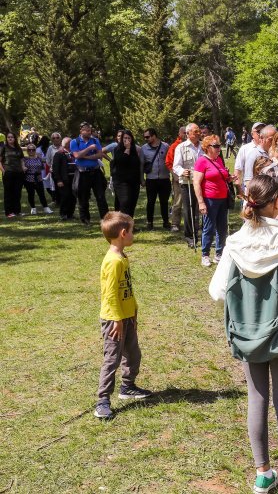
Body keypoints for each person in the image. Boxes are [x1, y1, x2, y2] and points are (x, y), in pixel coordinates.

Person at [209, 175, 278, 494]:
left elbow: (217, 289)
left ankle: (262, 474)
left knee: (256, 399)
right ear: (277, 202)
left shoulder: (234, 241)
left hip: (245, 331)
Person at [94, 211, 153, 420]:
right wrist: (117, 320)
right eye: (132, 231)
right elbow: (109, 295)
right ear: (122, 233)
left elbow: (125, 289)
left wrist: (133, 312)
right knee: (112, 359)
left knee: (133, 354)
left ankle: (127, 387)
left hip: (127, 316)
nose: (133, 234)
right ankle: (102, 400)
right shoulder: (113, 262)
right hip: (114, 319)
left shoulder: (122, 257)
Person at [193, 134, 232, 267]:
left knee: (222, 228)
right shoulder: (201, 161)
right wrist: (201, 202)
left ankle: (219, 254)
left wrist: (230, 178)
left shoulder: (219, 160)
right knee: (209, 227)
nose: (219, 148)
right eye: (215, 146)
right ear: (207, 147)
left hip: (222, 198)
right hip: (209, 199)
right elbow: (196, 183)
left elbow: (222, 176)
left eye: (219, 145)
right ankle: (205, 254)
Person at [70, 122, 109, 226]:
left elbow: (100, 155)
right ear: (81, 131)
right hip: (82, 172)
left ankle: (105, 219)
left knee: (101, 196)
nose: (88, 132)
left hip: (95, 171)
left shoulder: (95, 140)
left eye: (89, 130)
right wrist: (90, 148)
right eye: (85, 130)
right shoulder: (75, 142)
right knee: (83, 197)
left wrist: (86, 156)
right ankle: (85, 219)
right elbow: (77, 155)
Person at [173, 123, 202, 248]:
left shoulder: (204, 146)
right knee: (189, 209)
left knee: (201, 208)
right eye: (195, 131)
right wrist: (181, 171)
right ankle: (190, 236)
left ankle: (202, 233)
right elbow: (176, 166)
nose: (198, 133)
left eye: (199, 131)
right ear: (188, 133)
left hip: (202, 182)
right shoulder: (181, 147)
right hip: (188, 182)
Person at [141, 128, 171, 230]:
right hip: (151, 179)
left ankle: (166, 222)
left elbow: (170, 160)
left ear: (154, 136)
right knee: (150, 202)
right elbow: (141, 164)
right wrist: (142, 179)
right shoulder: (143, 148)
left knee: (164, 202)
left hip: (164, 179)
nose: (145, 139)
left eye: (147, 137)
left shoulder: (166, 146)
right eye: (144, 137)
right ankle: (149, 222)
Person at [110, 130, 142, 219]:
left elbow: (136, 164)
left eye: (129, 138)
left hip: (134, 181)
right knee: (125, 202)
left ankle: (129, 223)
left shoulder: (134, 150)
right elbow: (122, 162)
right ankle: (123, 223)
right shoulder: (117, 149)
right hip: (121, 181)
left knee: (132, 202)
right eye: (125, 138)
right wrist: (127, 149)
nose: (126, 140)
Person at [165, 126, 187, 233]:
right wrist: (175, 175)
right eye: (184, 133)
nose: (185, 135)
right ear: (180, 133)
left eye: (187, 133)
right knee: (178, 201)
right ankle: (175, 223)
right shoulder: (175, 146)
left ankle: (192, 222)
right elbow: (169, 162)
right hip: (178, 178)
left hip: (191, 178)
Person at [243, 125, 277, 192]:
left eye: (275, 140)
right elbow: (248, 182)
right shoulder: (253, 155)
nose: (274, 143)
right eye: (271, 140)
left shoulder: (275, 154)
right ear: (261, 138)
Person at [0, 131, 25, 217]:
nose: (10, 138)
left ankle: (17, 211)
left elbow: (22, 159)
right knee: (8, 193)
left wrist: (23, 167)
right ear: (6, 139)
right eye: (8, 137)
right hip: (8, 172)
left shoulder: (18, 148)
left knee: (17, 192)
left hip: (19, 173)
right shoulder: (4, 148)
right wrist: (3, 170)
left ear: (15, 139)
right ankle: (9, 212)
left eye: (12, 137)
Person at [22, 143, 51, 214]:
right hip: (28, 179)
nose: (31, 151)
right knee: (30, 194)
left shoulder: (39, 158)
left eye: (33, 149)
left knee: (41, 194)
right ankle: (33, 208)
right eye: (29, 149)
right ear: (27, 150)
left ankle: (46, 208)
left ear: (35, 150)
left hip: (38, 179)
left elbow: (48, 161)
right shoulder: (24, 159)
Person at [52, 137, 77, 220]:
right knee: (65, 196)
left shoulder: (74, 153)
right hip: (64, 179)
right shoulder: (59, 154)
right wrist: (58, 180)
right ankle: (63, 214)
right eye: (70, 143)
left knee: (73, 197)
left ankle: (70, 214)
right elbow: (55, 168)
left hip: (74, 178)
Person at [235, 122, 266, 189]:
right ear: (252, 134)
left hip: (266, 190)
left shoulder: (269, 149)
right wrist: (238, 189)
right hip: (249, 188)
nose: (261, 134)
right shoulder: (245, 148)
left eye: (263, 131)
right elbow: (238, 170)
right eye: (258, 131)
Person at [44, 132, 61, 205]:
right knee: (55, 186)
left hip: (64, 170)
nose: (56, 139)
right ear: (52, 140)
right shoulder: (50, 148)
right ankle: (57, 201)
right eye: (53, 138)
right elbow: (48, 160)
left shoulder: (63, 146)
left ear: (60, 138)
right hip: (54, 170)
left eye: (57, 137)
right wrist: (51, 166)